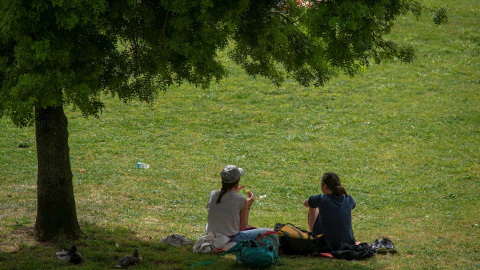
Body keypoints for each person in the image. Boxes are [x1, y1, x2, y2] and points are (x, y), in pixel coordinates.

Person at [206, 165, 269, 243]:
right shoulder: (241, 200)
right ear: (238, 180)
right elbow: (241, 228)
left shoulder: (213, 194)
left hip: (210, 234)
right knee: (267, 231)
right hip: (231, 239)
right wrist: (248, 205)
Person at [303, 172, 356, 251]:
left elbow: (306, 203)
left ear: (325, 186)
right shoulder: (349, 199)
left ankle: (313, 237)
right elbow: (352, 206)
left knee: (313, 206)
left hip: (324, 244)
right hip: (347, 243)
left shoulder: (321, 199)